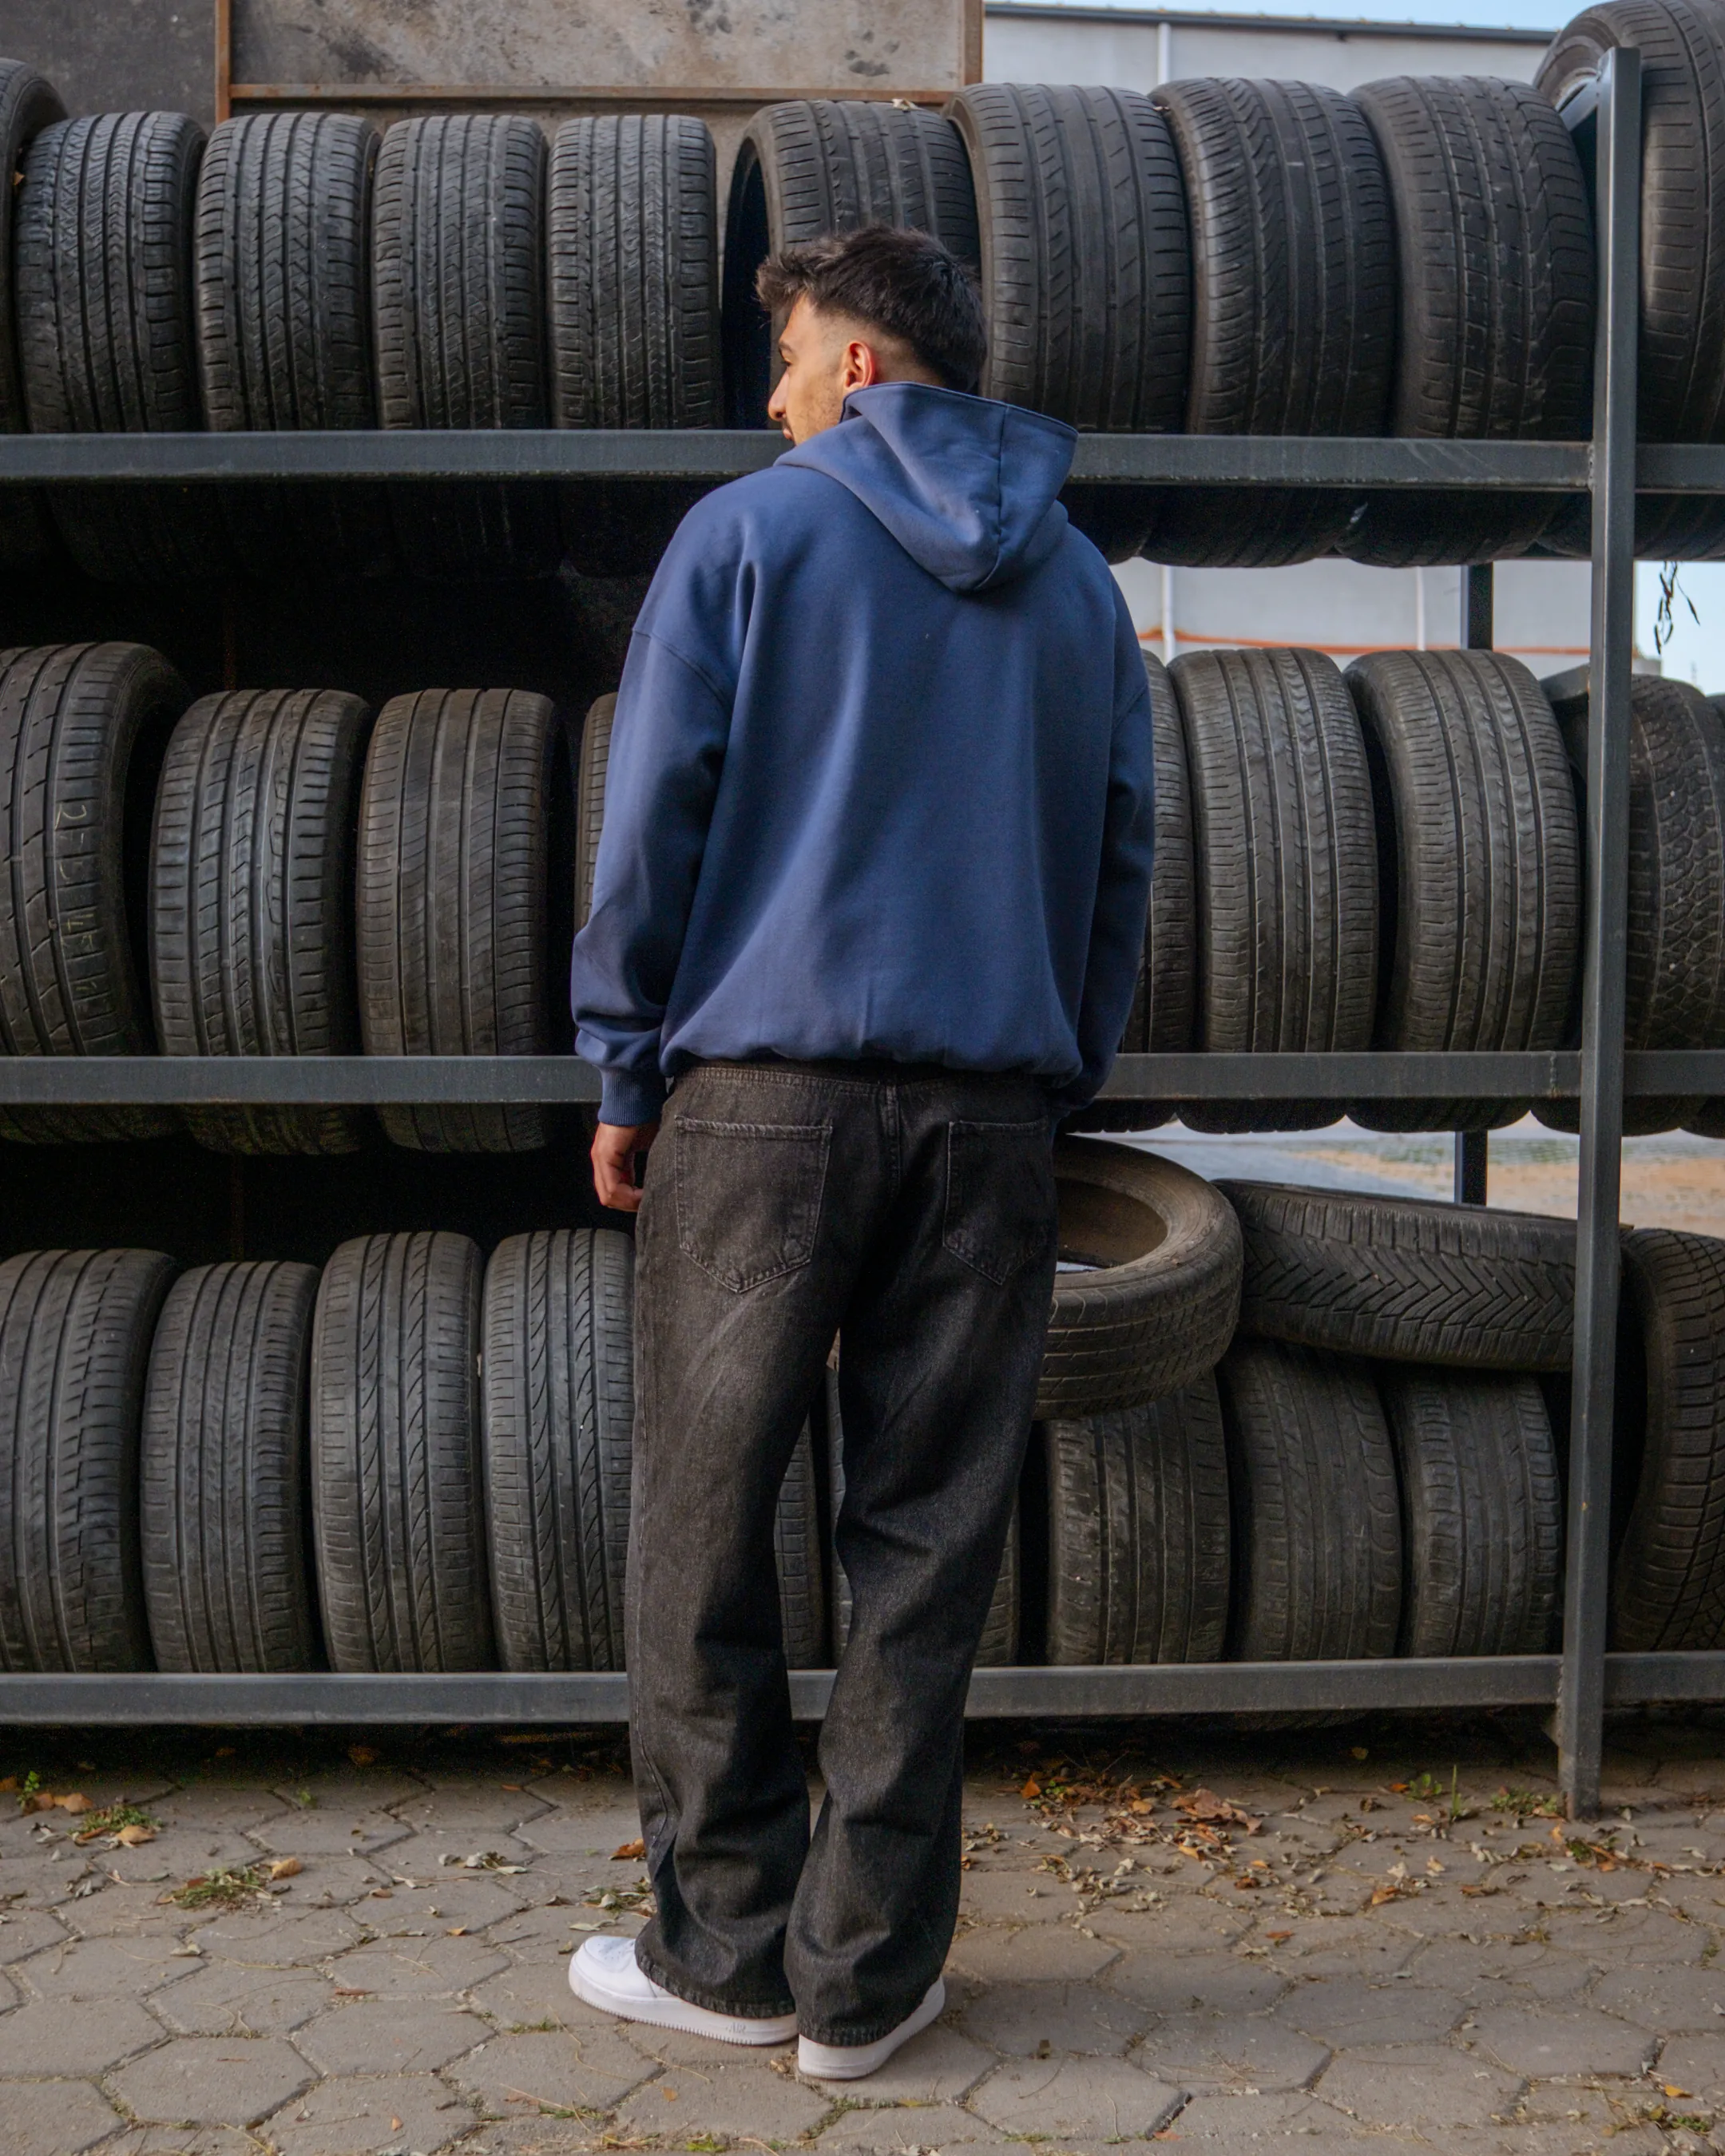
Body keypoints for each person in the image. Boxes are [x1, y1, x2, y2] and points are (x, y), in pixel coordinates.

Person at [565, 223, 1155, 2081]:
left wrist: (621, 1064)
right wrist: (1056, 1069)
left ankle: (727, 1950)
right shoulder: (1078, 593)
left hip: (761, 1104)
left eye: (796, 358)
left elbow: (658, 814)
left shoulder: (752, 534)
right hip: (990, 1116)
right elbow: (1117, 869)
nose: (779, 395)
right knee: (925, 1547)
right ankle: (869, 1979)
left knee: (701, 1531)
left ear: (865, 370)